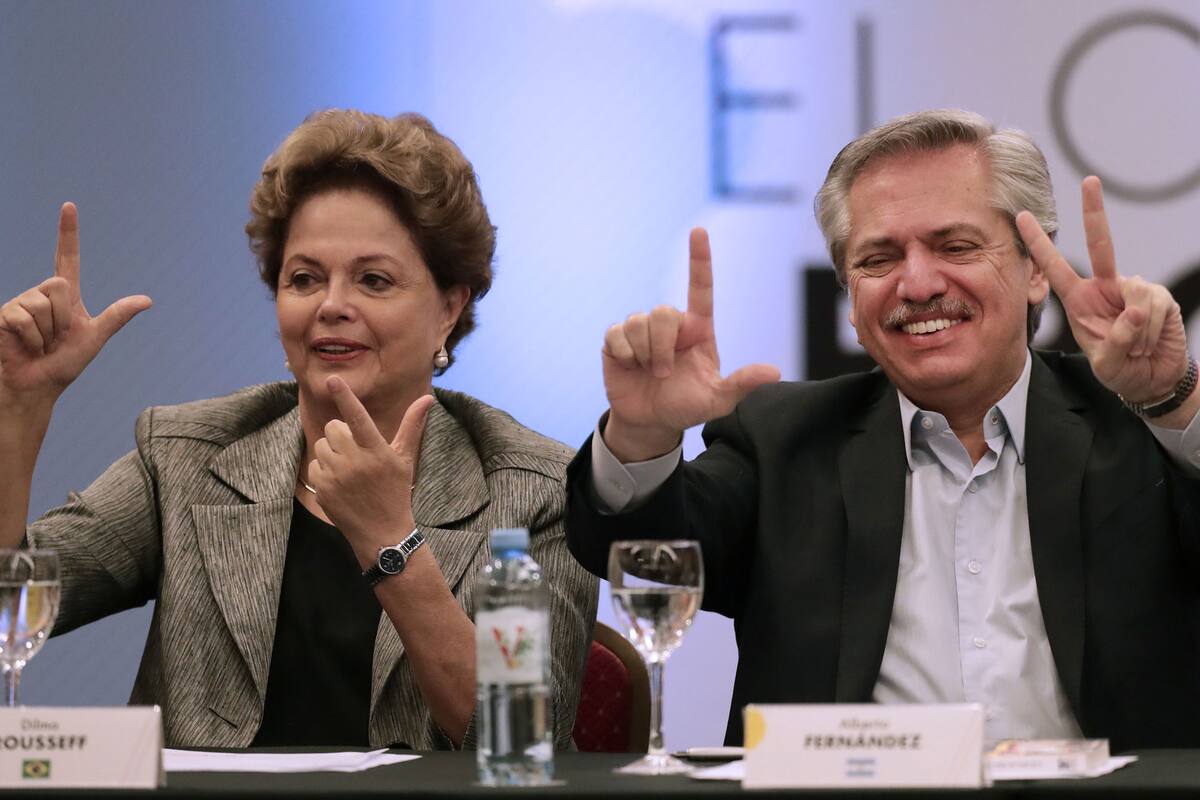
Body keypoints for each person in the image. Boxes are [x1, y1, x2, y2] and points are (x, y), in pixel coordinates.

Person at [565, 109, 1200, 752]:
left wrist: (1172, 401)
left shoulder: (1137, 423)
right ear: (848, 291)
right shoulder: (785, 438)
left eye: (956, 246)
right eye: (879, 257)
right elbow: (645, 551)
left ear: (1036, 270)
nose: (918, 284)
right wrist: (641, 434)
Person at [0, 110, 598, 750]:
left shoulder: (532, 490)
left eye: (373, 280)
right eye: (304, 278)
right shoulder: (188, 458)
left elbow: (521, 740)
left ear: (449, 308)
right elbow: (11, 608)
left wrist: (392, 540)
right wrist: (17, 411)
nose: (330, 305)